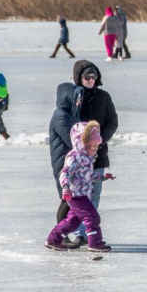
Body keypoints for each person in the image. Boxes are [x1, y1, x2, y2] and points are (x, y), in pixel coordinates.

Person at [49, 60, 118, 248]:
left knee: (93, 195)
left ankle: (85, 235)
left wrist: (99, 141)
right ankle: (79, 234)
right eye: (87, 77)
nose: (91, 80)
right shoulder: (75, 99)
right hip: (79, 157)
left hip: (98, 154)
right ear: (79, 77)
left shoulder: (103, 97)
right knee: (77, 198)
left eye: (94, 76)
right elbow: (71, 131)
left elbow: (112, 121)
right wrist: (85, 146)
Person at [45, 121, 115, 253]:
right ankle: (95, 243)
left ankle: (53, 239)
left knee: (72, 221)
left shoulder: (87, 158)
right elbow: (65, 172)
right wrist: (65, 187)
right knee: (92, 217)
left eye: (96, 146)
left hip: (83, 193)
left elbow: (87, 176)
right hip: (76, 194)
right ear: (82, 143)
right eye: (92, 145)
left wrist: (102, 177)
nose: (94, 148)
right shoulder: (74, 156)